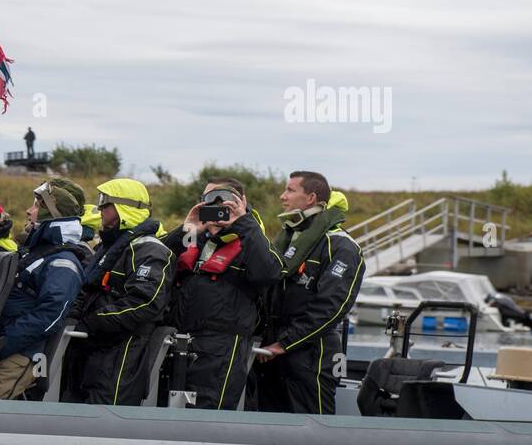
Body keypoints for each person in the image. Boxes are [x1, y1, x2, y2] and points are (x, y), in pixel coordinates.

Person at [162, 177, 282, 410]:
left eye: (224, 201)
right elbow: (157, 260)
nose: (216, 208)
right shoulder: (195, 238)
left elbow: (269, 273)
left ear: (241, 202)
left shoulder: (252, 241)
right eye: (208, 201)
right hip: (182, 343)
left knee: (208, 414)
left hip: (222, 349)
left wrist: (243, 222)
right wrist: (186, 230)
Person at [257, 171, 365, 415]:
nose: (282, 197)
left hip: (311, 357)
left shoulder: (341, 247)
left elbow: (331, 306)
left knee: (310, 428)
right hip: (271, 353)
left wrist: (285, 343)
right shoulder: (287, 240)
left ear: (311, 198)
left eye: (290, 190)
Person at [0, 179, 88, 400]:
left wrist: (3, 342)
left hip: (20, 356)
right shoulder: (37, 254)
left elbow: (51, 313)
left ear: (52, 216)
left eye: (37, 206)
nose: (29, 211)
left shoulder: (63, 262)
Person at [75, 178, 174, 406]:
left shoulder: (152, 251)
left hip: (124, 354)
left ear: (124, 209)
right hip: (93, 349)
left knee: (105, 419)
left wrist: (93, 321)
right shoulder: (109, 249)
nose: (99, 209)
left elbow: (144, 303)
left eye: (105, 204)